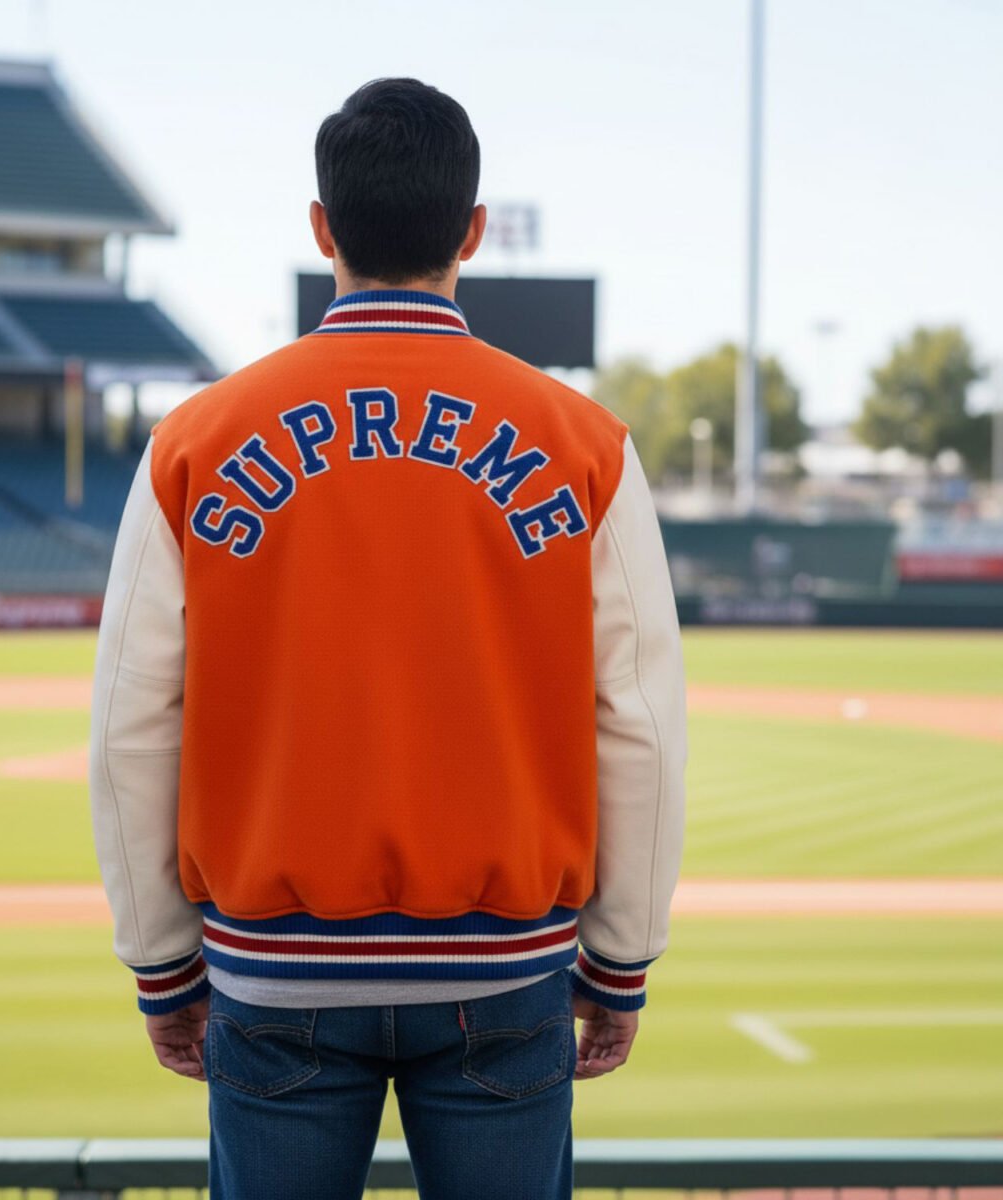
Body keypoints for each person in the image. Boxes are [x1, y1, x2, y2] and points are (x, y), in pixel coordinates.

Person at [89, 76, 687, 1200]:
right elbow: (640, 723)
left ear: (323, 230)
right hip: (507, 976)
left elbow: (132, 724)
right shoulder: (585, 441)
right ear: (473, 231)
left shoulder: (195, 439)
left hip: (273, 979)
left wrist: (164, 965)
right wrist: (620, 957)